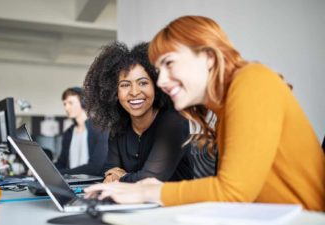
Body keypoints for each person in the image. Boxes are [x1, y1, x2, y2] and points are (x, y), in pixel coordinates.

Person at [84, 16, 325, 211]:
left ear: (209, 57)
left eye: (169, 63)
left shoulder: (252, 81)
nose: (163, 81)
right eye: (159, 70)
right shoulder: (227, 105)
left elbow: (233, 192)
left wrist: (146, 190)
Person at [83, 42, 194, 183]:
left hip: (176, 204)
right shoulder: (119, 128)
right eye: (125, 85)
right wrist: (113, 175)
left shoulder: (174, 123)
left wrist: (120, 177)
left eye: (143, 83)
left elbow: (150, 179)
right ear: (114, 91)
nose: (134, 92)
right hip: (134, 203)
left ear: (157, 86)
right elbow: (109, 170)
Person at [55, 87, 109, 176]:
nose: (66, 107)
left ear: (83, 102)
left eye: (70, 103)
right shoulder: (68, 132)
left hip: (91, 184)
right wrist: (43, 171)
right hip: (71, 182)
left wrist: (61, 173)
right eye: (64, 104)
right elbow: (62, 163)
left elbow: (95, 167)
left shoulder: (100, 129)